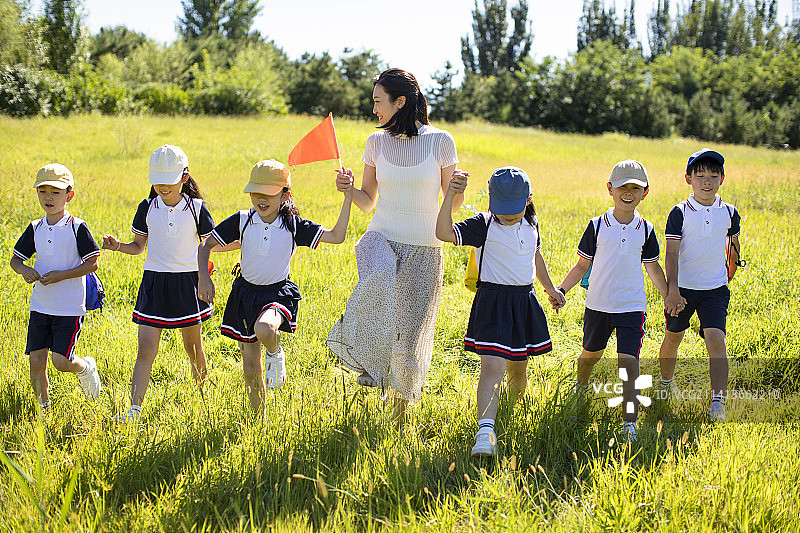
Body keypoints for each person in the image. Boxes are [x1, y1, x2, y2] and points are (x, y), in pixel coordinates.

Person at [326, 68, 463, 428]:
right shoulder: (377, 142)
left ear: (400, 102)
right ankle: (371, 361)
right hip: (380, 240)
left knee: (409, 334)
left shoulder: (440, 141)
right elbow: (367, 201)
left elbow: (455, 206)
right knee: (380, 308)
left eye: (378, 101)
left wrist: (456, 190)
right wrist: (347, 188)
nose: (374, 109)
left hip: (424, 248)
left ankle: (399, 416)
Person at [197, 159, 352, 414]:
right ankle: (258, 419)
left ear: (285, 194)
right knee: (249, 367)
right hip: (245, 294)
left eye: (269, 193)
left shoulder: (293, 225)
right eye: (256, 192)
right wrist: (204, 276)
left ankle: (275, 352)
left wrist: (347, 197)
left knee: (265, 328)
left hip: (277, 293)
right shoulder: (242, 220)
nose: (261, 199)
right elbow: (206, 245)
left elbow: (337, 236)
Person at [436, 166, 566, 457]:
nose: (508, 214)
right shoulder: (484, 223)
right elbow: (443, 232)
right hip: (493, 303)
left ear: (529, 199)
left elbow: (536, 257)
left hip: (524, 302)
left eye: (514, 209)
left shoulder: (532, 225)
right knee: (492, 369)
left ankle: (510, 415)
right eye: (502, 208)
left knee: (519, 368)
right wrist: (452, 195)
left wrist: (551, 289)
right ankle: (485, 431)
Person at [556, 159, 672, 442]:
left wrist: (670, 296)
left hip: (632, 307)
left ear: (645, 192)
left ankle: (628, 421)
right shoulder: (597, 226)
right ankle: (580, 387)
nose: (629, 192)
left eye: (636, 187)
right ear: (610, 189)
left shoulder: (646, 230)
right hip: (598, 306)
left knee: (628, 362)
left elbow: (653, 268)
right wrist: (561, 290)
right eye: (623, 187)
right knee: (589, 356)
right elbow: (582, 266)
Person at [103, 145, 214, 421]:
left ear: (184, 178)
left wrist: (205, 275)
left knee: (193, 348)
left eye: (170, 180)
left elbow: (209, 244)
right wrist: (118, 246)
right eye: (158, 180)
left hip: (186, 284)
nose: (163, 186)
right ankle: (134, 409)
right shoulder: (146, 207)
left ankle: (203, 400)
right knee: (145, 349)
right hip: (154, 283)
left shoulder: (197, 209)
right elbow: (138, 246)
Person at [11, 163, 102, 410]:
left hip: (69, 307)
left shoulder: (77, 227)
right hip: (41, 305)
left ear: (69, 195)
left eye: (55, 192)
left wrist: (62, 275)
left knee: (61, 361)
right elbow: (15, 260)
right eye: (43, 191)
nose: (48, 198)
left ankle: (86, 368)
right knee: (36, 360)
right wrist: (25, 270)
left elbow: (92, 264)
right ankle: (44, 409)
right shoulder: (35, 227)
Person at [658, 149, 740, 422]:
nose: (707, 181)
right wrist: (672, 290)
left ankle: (718, 402)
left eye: (713, 176)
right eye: (700, 175)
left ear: (722, 179)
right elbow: (671, 254)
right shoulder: (680, 212)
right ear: (688, 178)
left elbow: (733, 248)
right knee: (673, 338)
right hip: (682, 290)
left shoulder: (730, 212)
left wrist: (727, 276)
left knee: (716, 339)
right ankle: (666, 384)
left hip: (715, 290)